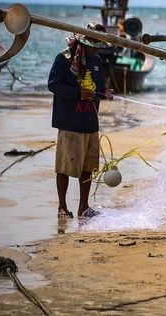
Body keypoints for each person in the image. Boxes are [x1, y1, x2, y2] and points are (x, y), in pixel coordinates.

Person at [48, 22, 111, 219]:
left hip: (89, 122)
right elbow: (53, 85)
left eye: (99, 47)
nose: (95, 50)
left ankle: (84, 207)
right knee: (65, 167)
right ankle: (62, 207)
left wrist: (104, 93)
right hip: (70, 121)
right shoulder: (64, 59)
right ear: (84, 42)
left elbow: (97, 89)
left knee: (88, 167)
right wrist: (78, 93)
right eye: (94, 46)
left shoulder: (97, 62)